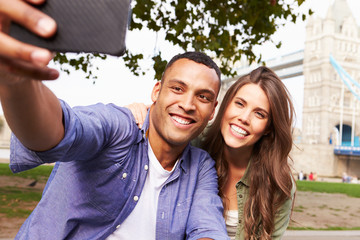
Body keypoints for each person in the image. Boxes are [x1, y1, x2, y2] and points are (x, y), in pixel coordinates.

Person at [0, 1, 229, 239]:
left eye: (203, 97)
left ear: (212, 111)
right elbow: (59, 131)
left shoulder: (200, 166)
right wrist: (16, 80)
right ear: (156, 92)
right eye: (178, 88)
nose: (188, 104)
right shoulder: (119, 126)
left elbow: (207, 227)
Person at [128, 67, 296, 239]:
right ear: (224, 105)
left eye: (259, 114)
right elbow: (160, 126)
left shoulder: (278, 183)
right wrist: (136, 113)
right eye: (239, 104)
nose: (244, 118)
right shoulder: (192, 145)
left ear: (268, 128)